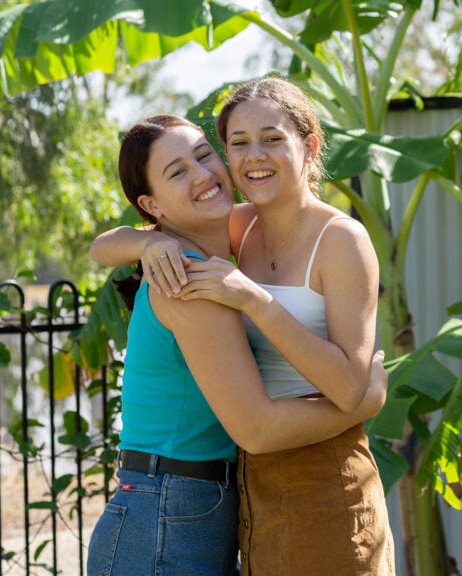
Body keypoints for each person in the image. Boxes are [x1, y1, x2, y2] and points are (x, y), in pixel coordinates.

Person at [91, 76, 395, 575]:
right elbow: (102, 245)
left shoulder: (321, 237)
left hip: (297, 482)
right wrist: (148, 243)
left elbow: (342, 379)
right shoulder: (218, 245)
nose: (252, 156)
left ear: (309, 145)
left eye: (272, 139)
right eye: (237, 143)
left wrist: (250, 297)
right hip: (209, 498)